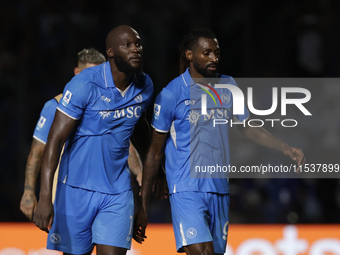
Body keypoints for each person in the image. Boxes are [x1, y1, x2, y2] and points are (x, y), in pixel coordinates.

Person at [133, 28, 306, 255]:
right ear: (189, 55)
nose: (214, 58)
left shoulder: (228, 85)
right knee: (203, 251)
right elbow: (155, 152)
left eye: (217, 52)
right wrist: (144, 206)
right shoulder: (171, 94)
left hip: (219, 187)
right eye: (207, 53)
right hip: (186, 188)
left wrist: (284, 147)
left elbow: (247, 126)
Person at [33, 25, 153, 255]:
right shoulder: (84, 85)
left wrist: (154, 170)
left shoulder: (144, 85)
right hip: (76, 190)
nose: (135, 49)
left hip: (117, 192)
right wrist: (45, 197)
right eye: (127, 45)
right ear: (110, 52)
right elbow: (55, 141)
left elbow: (140, 127)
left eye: (137, 44)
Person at [20, 48, 107, 220]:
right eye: (88, 74)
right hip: (65, 198)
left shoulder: (107, 108)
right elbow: (36, 153)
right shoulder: (55, 107)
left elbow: (124, 146)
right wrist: (29, 192)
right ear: (76, 73)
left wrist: (140, 171)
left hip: (103, 195)